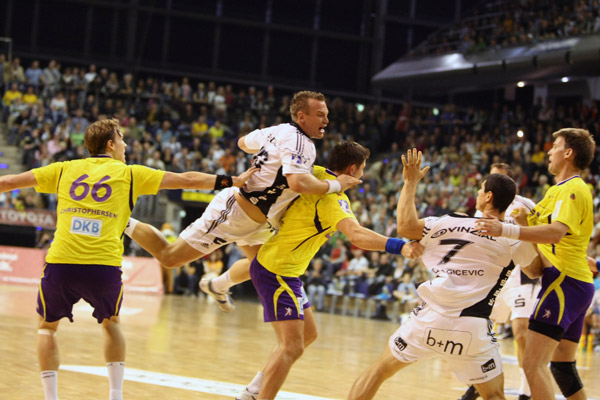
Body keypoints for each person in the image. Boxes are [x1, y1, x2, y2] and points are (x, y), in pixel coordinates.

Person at [0, 118, 254, 400]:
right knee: (111, 323)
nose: (126, 145)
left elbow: (8, 182)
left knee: (47, 330)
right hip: (103, 267)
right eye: (122, 139)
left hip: (61, 264)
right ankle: (116, 395)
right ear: (110, 144)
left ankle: (51, 398)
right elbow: (188, 180)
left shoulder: (63, 169)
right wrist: (232, 180)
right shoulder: (131, 174)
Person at [125, 91, 360, 311]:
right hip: (235, 212)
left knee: (263, 267)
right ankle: (122, 220)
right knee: (169, 258)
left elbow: (242, 143)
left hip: (259, 221)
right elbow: (298, 183)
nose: (326, 120)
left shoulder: (277, 131)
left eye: (326, 115)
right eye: (320, 115)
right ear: (301, 116)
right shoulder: (301, 142)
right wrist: (337, 185)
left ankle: (216, 285)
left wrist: (266, 159)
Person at [347, 149, 539, 400]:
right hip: (473, 329)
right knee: (494, 395)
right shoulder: (513, 239)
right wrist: (525, 229)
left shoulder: (451, 222)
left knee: (378, 371)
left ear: (488, 196)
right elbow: (535, 270)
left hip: (430, 319)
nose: (477, 193)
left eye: (480, 189)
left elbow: (405, 226)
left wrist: (410, 183)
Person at [237, 141, 423, 400]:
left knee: (308, 335)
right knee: (291, 347)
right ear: (353, 169)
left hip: (285, 269)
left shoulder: (316, 174)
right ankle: (257, 396)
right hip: (277, 271)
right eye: (363, 168)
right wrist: (399, 246)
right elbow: (356, 235)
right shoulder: (333, 200)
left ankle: (255, 389)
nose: (363, 173)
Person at [475, 128, 596, 400]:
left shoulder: (573, 189)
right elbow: (544, 234)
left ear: (568, 153)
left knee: (532, 365)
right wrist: (522, 221)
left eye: (555, 146)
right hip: (573, 282)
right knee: (562, 368)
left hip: (564, 282)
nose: (549, 151)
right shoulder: (556, 191)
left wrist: (507, 230)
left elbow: (556, 233)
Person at [461, 163, 539, 400]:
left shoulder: (526, 205)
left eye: (497, 178)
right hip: (493, 277)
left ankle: (525, 391)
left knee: (521, 332)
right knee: (482, 332)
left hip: (521, 273)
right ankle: (478, 384)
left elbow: (541, 235)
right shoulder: (480, 211)